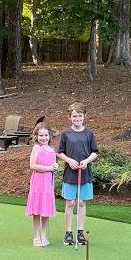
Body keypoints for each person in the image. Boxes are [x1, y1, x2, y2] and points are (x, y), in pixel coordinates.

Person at [56, 102, 98, 246]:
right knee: (70, 202)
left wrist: (86, 161)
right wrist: (69, 161)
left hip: (85, 172)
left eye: (80, 116)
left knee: (81, 202)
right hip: (70, 173)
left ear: (84, 116)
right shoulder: (66, 134)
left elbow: (95, 152)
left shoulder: (89, 133)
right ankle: (68, 232)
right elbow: (60, 152)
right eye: (74, 116)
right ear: (69, 117)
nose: (77, 118)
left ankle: (80, 232)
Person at [26, 123, 58, 247]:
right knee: (37, 210)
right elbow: (32, 165)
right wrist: (48, 168)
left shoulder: (52, 149)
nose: (43, 138)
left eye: (46, 135)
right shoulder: (36, 148)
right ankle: (36, 236)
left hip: (48, 183)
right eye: (41, 135)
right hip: (38, 182)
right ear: (36, 136)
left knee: (45, 211)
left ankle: (44, 236)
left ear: (49, 135)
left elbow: (53, 165)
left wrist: (55, 166)